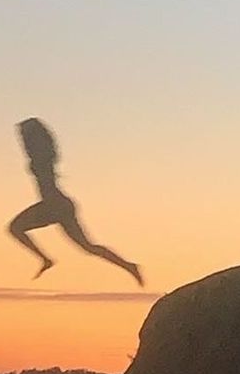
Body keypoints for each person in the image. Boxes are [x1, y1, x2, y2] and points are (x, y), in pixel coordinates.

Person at [8, 118, 143, 285]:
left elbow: (44, 160)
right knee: (88, 247)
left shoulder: (41, 158)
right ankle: (129, 266)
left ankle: (46, 260)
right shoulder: (41, 157)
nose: (21, 140)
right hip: (58, 204)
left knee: (15, 228)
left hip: (54, 205)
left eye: (23, 136)